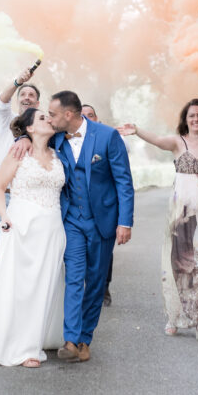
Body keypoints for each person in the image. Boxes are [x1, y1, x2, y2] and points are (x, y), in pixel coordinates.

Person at [15, 90, 134, 363]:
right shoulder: (56, 137)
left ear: (69, 114)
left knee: (95, 282)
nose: (50, 119)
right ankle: (69, 340)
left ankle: (84, 338)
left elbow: (124, 182)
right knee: (73, 277)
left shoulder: (107, 136)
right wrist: (23, 137)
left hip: (103, 222)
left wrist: (125, 222)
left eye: (53, 114)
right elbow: (36, 136)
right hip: (71, 221)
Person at [118, 98, 198, 343]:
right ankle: (176, 315)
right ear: (185, 120)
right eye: (191, 116)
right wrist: (137, 130)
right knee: (181, 264)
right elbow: (157, 140)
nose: (196, 119)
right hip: (182, 216)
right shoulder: (178, 142)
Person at [0, 108, 66, 368]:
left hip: (52, 228)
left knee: (45, 284)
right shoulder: (18, 151)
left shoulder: (58, 153)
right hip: (22, 225)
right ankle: (20, 347)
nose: (49, 120)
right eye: (42, 118)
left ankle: (35, 340)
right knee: (18, 285)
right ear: (30, 128)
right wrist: (5, 217)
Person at [0, 68, 41, 257]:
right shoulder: (7, 120)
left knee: (25, 252)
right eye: (23, 95)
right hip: (2, 196)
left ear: (38, 102)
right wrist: (18, 81)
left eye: (31, 95)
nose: (27, 98)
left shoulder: (42, 128)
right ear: (17, 100)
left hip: (27, 198)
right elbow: (1, 102)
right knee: (2, 251)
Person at [81, 104, 115, 308]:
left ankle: (104, 286)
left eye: (91, 115)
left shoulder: (106, 138)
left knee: (104, 253)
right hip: (79, 209)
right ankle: (88, 287)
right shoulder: (69, 140)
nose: (87, 119)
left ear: (97, 119)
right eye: (83, 115)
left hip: (103, 208)